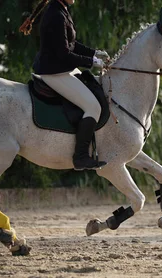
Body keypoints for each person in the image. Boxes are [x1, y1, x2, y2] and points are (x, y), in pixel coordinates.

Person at [31, 0, 109, 170]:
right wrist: (91, 62)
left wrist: (94, 53)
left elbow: (72, 44)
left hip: (62, 69)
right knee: (93, 107)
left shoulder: (61, 10)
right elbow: (64, 54)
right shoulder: (55, 15)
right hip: (54, 72)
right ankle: (80, 157)